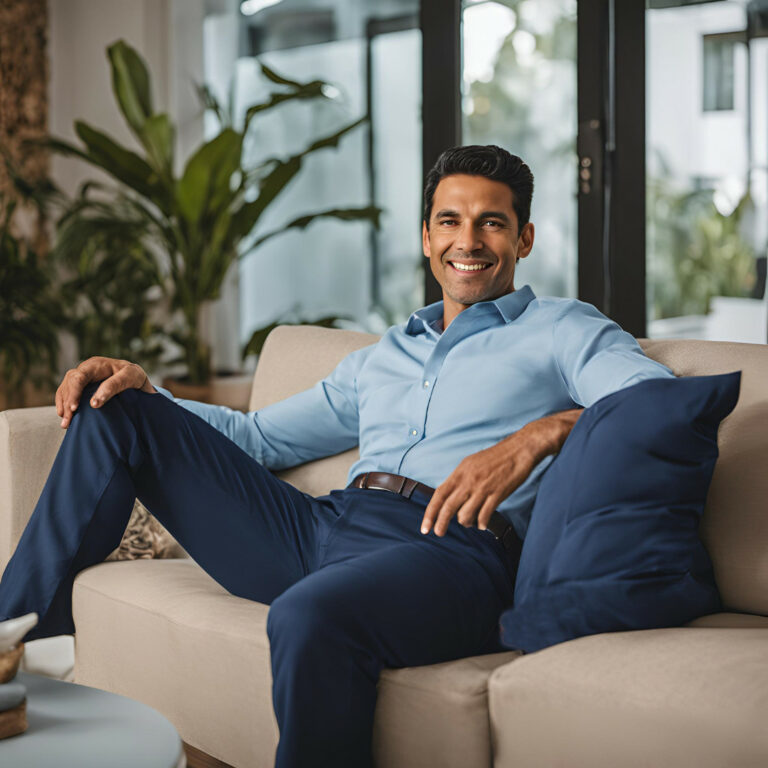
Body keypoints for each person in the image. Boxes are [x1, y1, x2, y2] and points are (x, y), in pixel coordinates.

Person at [0, 145, 674, 767]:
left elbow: (655, 401)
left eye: (492, 223)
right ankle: (8, 644)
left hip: (451, 550)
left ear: (523, 238)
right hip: (323, 528)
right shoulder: (385, 354)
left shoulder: (561, 328)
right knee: (112, 405)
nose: (468, 242)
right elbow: (258, 439)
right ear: (426, 237)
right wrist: (154, 393)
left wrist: (542, 433)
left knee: (306, 614)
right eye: (449, 221)